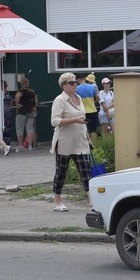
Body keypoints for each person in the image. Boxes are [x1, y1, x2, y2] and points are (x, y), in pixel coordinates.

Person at [50, 72, 92, 211]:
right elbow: (54, 121)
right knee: (61, 171)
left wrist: (88, 138)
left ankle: (92, 200)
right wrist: (74, 120)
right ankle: (57, 200)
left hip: (80, 141)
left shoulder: (79, 98)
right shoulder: (60, 100)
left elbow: (83, 119)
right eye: (71, 83)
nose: (75, 85)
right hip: (65, 142)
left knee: (85, 171)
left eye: (75, 82)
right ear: (63, 86)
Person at [14, 76, 38, 151]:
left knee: (19, 128)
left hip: (22, 112)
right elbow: (36, 102)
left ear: (21, 83)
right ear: (28, 83)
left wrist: (17, 104)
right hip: (31, 111)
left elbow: (17, 97)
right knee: (30, 128)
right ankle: (30, 146)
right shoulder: (33, 91)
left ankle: (21, 145)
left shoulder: (20, 91)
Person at [76, 73, 100, 140]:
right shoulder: (93, 87)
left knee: (84, 130)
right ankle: (94, 147)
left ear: (78, 80)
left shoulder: (77, 89)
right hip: (93, 110)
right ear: (85, 78)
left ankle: (86, 145)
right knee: (93, 130)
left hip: (83, 112)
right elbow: (97, 98)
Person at [0, 81, 14, 147]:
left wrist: (9, 108)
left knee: (8, 129)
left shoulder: (8, 93)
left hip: (8, 114)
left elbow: (11, 101)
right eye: (3, 85)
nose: (4, 87)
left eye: (5, 85)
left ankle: (7, 144)